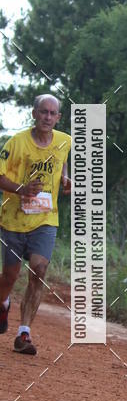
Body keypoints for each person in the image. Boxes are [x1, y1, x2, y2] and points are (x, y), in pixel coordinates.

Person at [0, 94, 71, 355]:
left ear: (58, 118)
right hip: (14, 219)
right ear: (34, 113)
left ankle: (24, 333)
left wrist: (65, 178)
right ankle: (3, 303)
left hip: (45, 219)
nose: (47, 117)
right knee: (10, 276)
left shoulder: (64, 141)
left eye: (52, 113)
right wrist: (22, 189)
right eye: (43, 112)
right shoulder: (16, 143)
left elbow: (62, 160)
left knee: (39, 269)